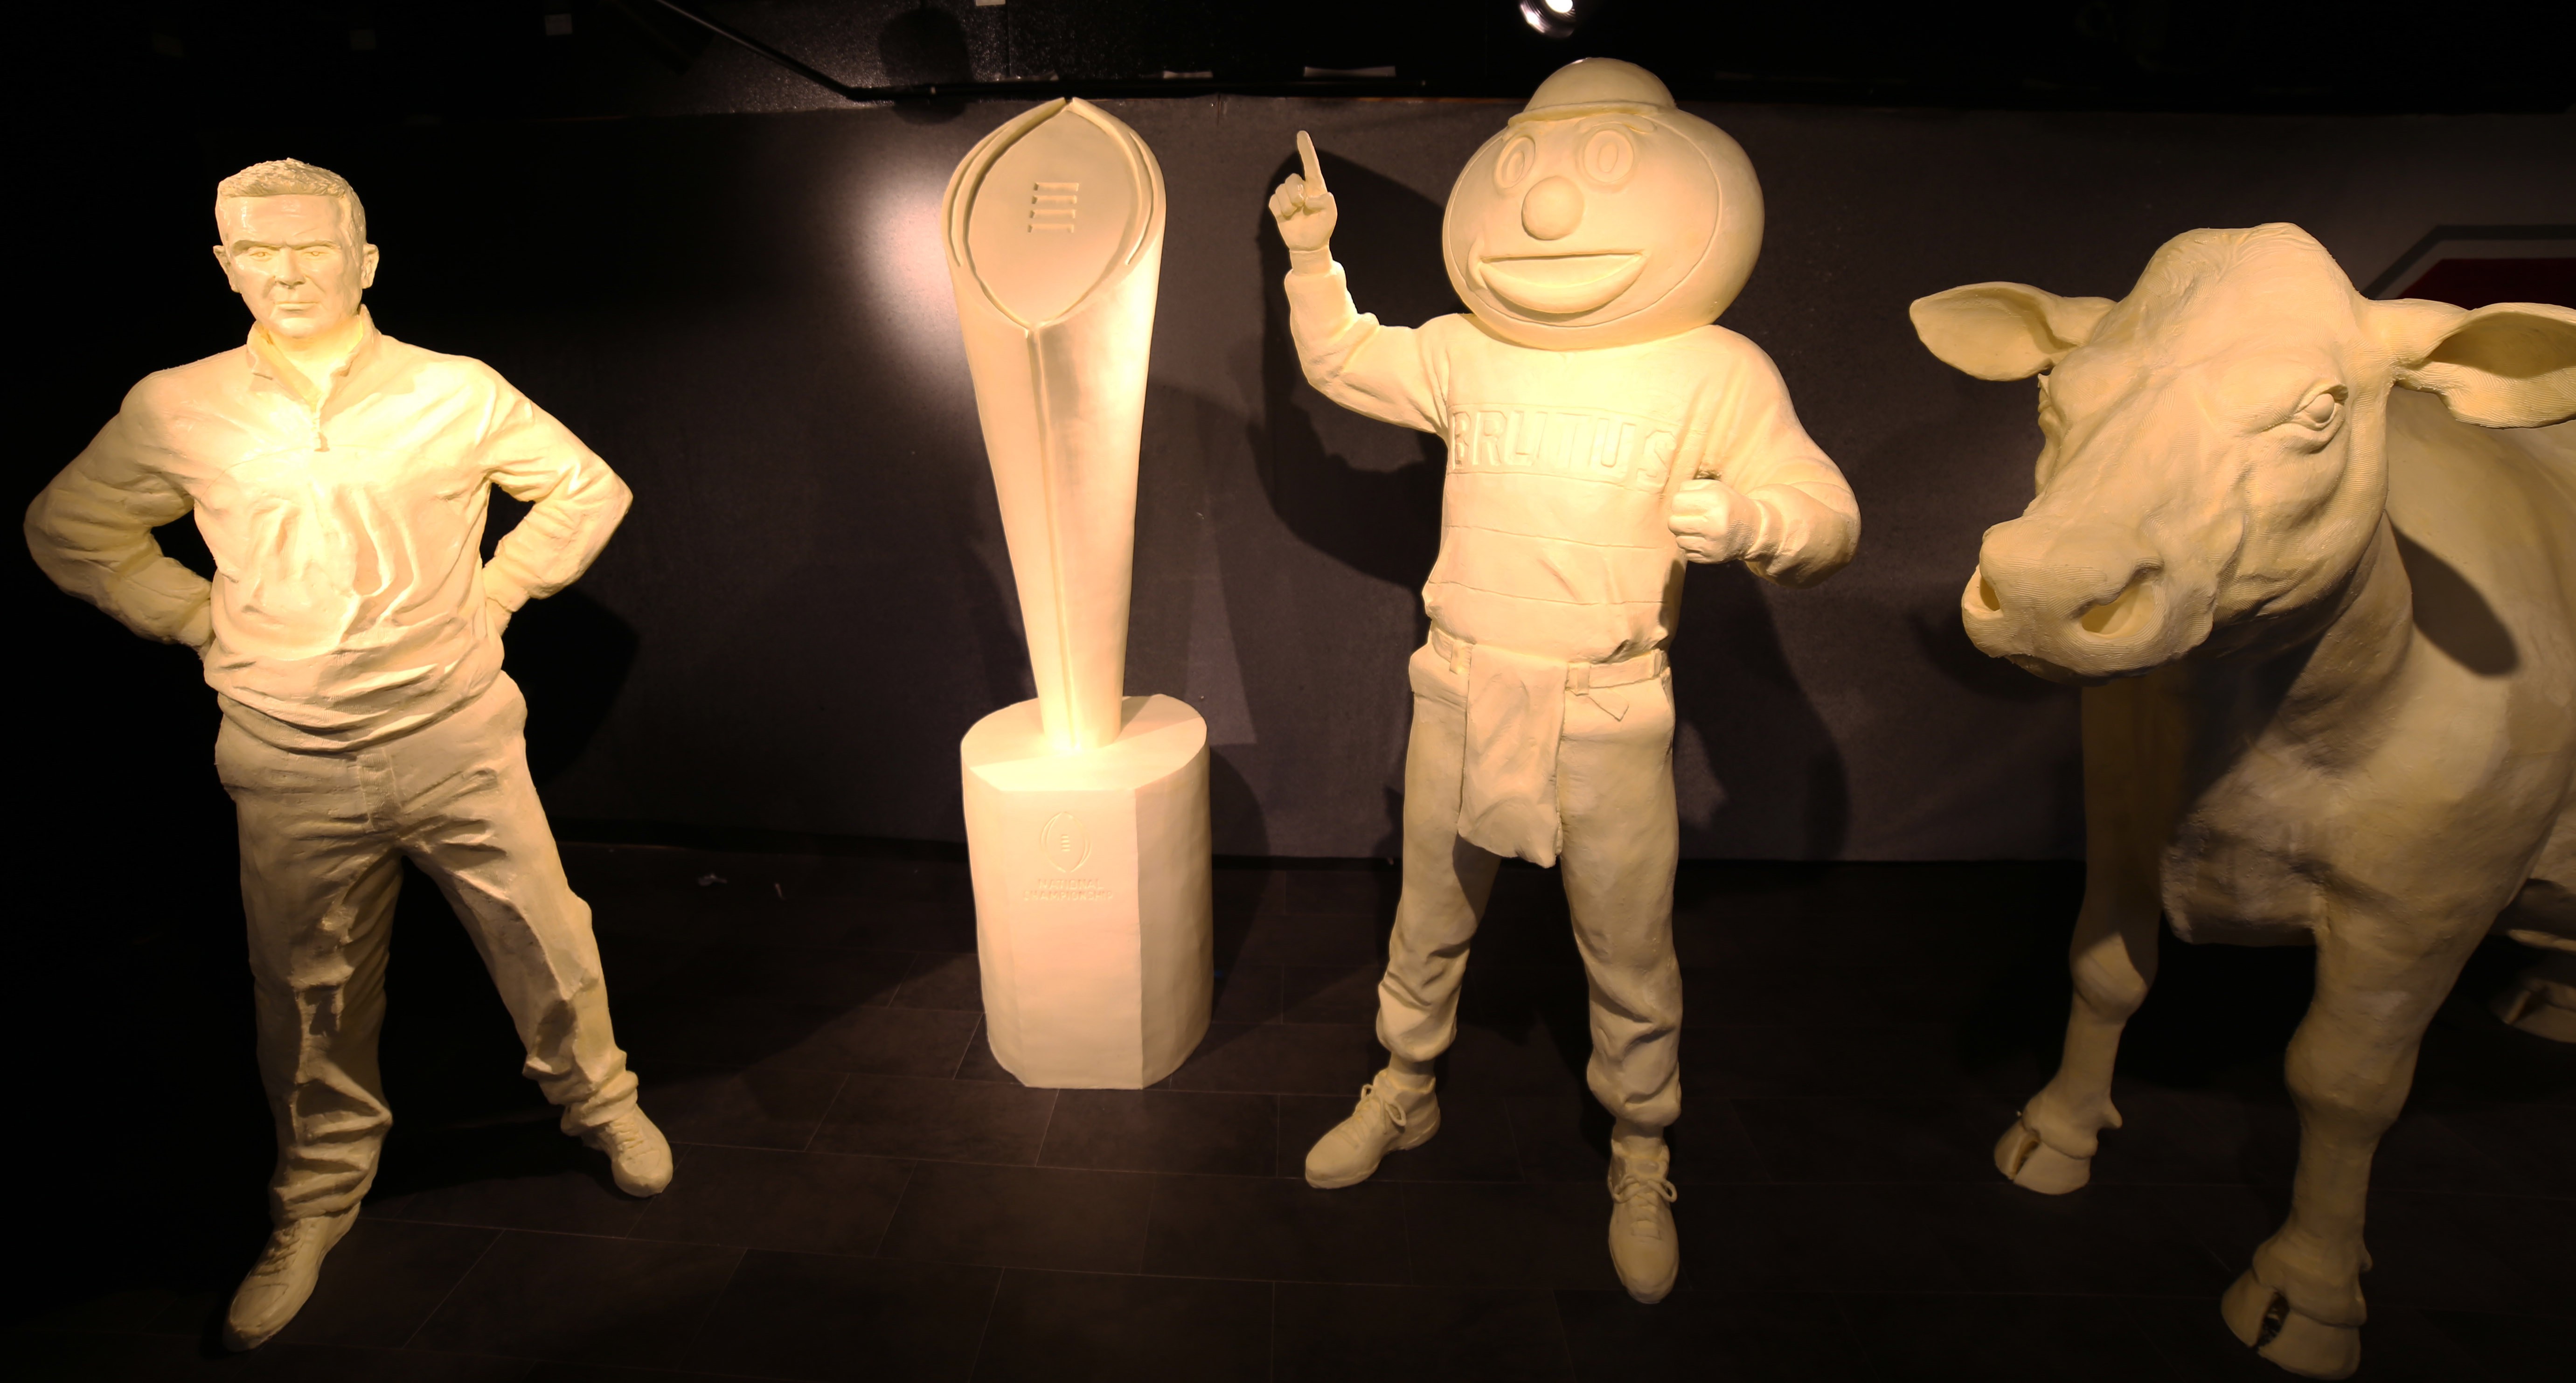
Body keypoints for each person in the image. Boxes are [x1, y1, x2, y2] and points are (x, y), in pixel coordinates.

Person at [24, 159, 670, 1350]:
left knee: (544, 937)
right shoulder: (176, 406)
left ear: (364, 262)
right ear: (223, 267)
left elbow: (585, 489)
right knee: (305, 993)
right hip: (287, 755)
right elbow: (71, 526)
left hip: (454, 733)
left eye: (310, 249)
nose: (284, 273)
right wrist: (194, 617)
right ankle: (315, 1197)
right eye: (256, 252)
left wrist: (500, 591)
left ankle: (601, 1103)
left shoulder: (452, 390)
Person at [1267, 60, 1860, 1302]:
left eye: (1596, 171)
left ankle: (1641, 1148)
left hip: (1606, 704)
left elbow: (1825, 512)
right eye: (1528, 171)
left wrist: (1754, 517)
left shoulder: (1712, 370)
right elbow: (1346, 362)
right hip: (1461, 683)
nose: (1547, 212)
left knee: (1626, 944)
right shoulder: (1465, 353)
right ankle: (1405, 1082)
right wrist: (1313, 258)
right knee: (1429, 911)